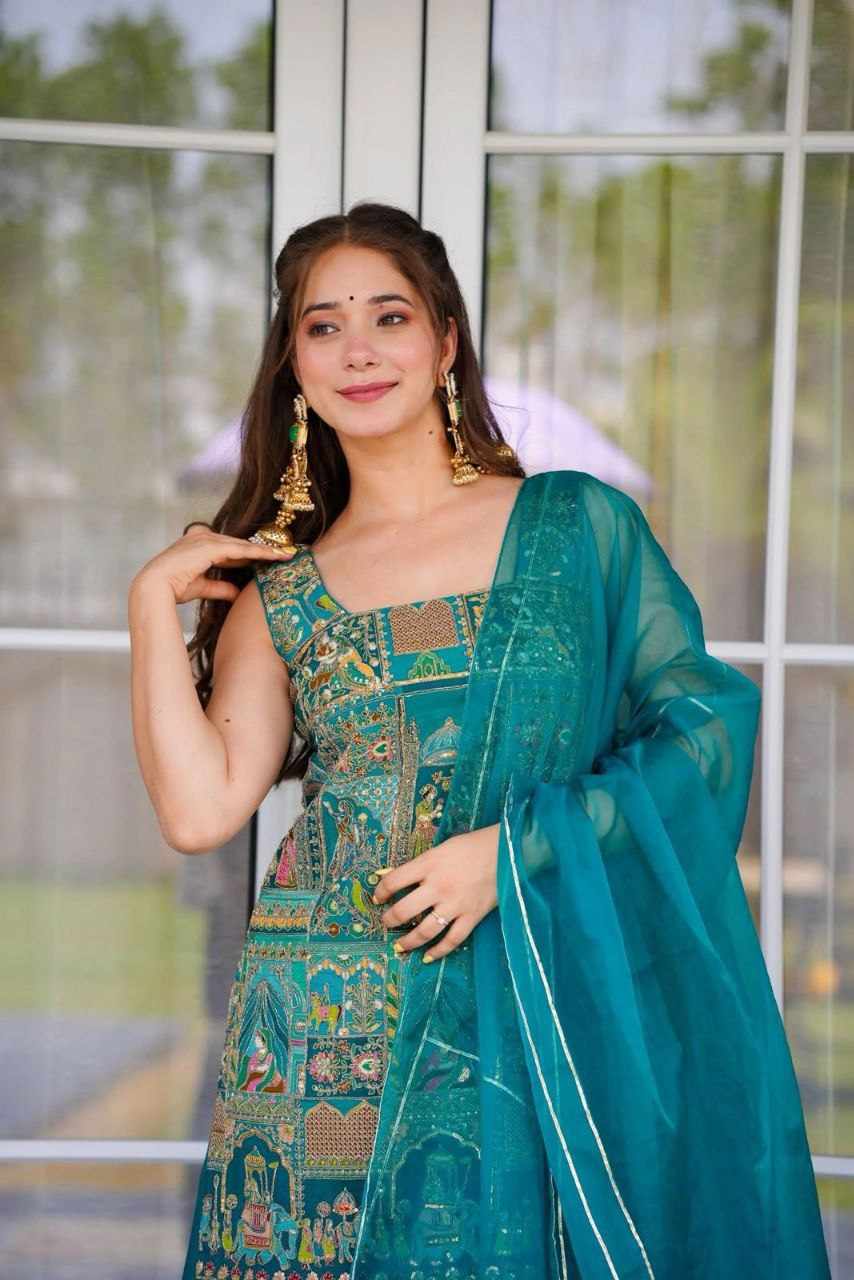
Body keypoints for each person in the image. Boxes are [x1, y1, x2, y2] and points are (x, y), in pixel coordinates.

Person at [128, 202, 830, 1279]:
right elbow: (198, 809)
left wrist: (511, 854)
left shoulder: (574, 526)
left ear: (445, 339)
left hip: (538, 998)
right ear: (293, 366)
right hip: (326, 1013)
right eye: (322, 326)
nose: (358, 350)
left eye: (389, 316)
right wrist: (147, 604)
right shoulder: (284, 594)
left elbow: (701, 729)